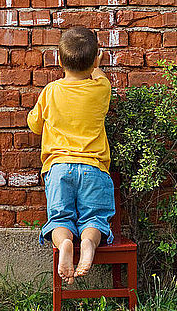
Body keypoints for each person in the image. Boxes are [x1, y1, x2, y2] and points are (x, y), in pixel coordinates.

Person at [27, 26, 115, 285]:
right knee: (95, 218)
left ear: (59, 60)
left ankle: (65, 243)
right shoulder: (101, 89)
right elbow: (97, 74)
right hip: (94, 168)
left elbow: (34, 124)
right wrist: (95, 63)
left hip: (59, 169)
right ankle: (88, 243)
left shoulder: (51, 91)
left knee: (60, 219)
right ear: (96, 60)